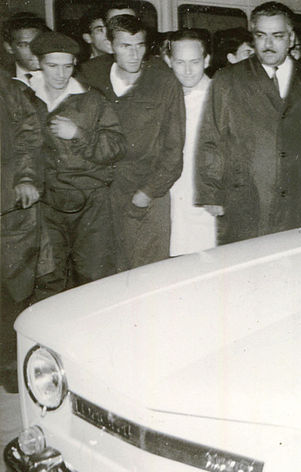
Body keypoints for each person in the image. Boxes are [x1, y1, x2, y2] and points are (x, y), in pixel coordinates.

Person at [195, 1, 301, 243]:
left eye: (277, 36)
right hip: (246, 201)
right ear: (253, 37)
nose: (268, 44)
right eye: (261, 36)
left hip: (299, 202)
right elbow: (211, 138)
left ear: (291, 38)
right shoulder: (228, 80)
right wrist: (211, 193)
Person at [80, 14, 185, 270]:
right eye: (125, 46)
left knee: (149, 272)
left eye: (139, 45)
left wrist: (149, 191)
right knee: (107, 271)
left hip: (146, 193)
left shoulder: (164, 82)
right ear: (110, 45)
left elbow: (174, 148)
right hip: (102, 193)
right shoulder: (91, 77)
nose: (134, 54)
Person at [28, 32, 126, 299]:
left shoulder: (92, 99)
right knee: (48, 276)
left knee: (95, 276)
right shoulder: (27, 99)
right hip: (45, 202)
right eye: (52, 66)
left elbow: (116, 147)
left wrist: (79, 134)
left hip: (90, 201)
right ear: (38, 63)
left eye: (67, 66)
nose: (61, 74)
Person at [0, 71, 43, 392]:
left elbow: (29, 134)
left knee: (14, 286)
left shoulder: (7, 88)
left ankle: (11, 365)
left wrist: (26, 178)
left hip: (8, 205)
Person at [164, 29, 216, 255]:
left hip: (206, 202)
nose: (187, 71)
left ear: (207, 60)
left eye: (194, 62)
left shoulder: (220, 98)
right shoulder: (164, 96)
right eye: (180, 62)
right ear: (169, 61)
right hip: (171, 198)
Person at [2, 13, 46, 86]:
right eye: (24, 45)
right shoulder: (3, 79)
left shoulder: (60, 72)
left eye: (38, 42)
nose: (34, 51)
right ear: (9, 48)